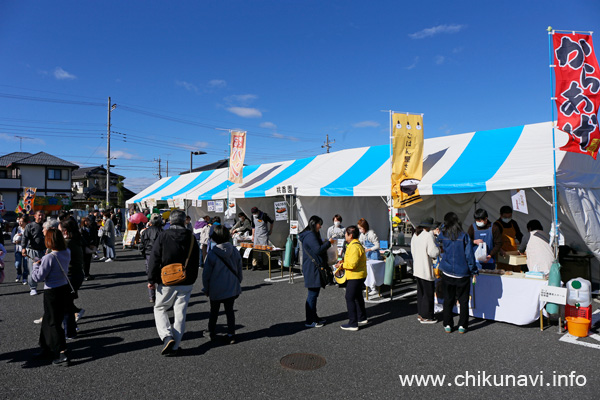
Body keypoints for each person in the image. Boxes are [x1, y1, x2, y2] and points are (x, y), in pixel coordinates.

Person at [148, 210, 200, 356]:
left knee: (160, 308)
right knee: (180, 313)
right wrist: (192, 278)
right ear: (184, 221)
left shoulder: (163, 235)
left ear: (170, 221)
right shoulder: (191, 237)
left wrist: (151, 279)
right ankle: (175, 345)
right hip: (186, 279)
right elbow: (196, 259)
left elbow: (154, 258)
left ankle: (166, 336)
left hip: (166, 279)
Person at [30, 228, 72, 366]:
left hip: (52, 291)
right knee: (49, 319)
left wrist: (35, 266)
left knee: (53, 322)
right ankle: (46, 347)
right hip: (64, 288)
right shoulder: (66, 252)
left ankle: (62, 352)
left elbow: (38, 277)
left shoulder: (49, 257)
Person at [437, 212, 477, 334]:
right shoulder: (464, 236)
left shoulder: (444, 235)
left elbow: (437, 239)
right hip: (462, 273)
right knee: (463, 300)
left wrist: (443, 227)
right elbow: (469, 256)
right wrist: (473, 270)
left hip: (447, 272)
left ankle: (448, 324)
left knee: (448, 299)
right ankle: (462, 326)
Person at [203, 225, 243, 344]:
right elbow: (239, 269)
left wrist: (206, 287)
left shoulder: (212, 254)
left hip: (216, 288)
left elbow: (206, 274)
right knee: (229, 311)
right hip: (231, 286)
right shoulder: (234, 250)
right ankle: (231, 334)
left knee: (214, 311)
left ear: (213, 238)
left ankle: (211, 331)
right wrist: (238, 282)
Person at [299, 215, 335, 328]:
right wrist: (328, 243)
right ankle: (310, 320)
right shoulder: (310, 235)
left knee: (314, 294)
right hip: (313, 268)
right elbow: (318, 249)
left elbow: (316, 248)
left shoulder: (308, 234)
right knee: (312, 294)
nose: (321, 226)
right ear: (314, 224)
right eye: (320, 224)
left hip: (311, 267)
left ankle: (313, 317)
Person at [410, 218, 440, 324]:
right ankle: (427, 316)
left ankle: (421, 314)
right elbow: (433, 252)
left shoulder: (415, 235)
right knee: (428, 293)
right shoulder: (428, 235)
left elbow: (413, 250)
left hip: (417, 267)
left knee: (421, 293)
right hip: (425, 268)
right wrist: (439, 249)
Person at [338, 225, 368, 331]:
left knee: (349, 297)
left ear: (350, 235)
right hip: (358, 275)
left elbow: (353, 264)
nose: (345, 235)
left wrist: (342, 265)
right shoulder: (354, 244)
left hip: (355, 275)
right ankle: (362, 317)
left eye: (346, 233)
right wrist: (343, 262)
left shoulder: (354, 246)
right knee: (357, 296)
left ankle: (353, 323)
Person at [59, 219, 86, 339]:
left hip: (70, 275)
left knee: (65, 305)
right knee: (67, 303)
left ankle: (70, 332)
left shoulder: (67, 242)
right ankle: (72, 327)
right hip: (77, 274)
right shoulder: (76, 239)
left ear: (64, 231)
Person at [22, 210, 46, 296]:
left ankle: (48, 285)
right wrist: (23, 248)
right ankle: (33, 288)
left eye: (42, 215)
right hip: (33, 250)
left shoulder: (46, 225)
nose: (41, 217)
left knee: (47, 268)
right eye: (39, 215)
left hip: (45, 250)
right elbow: (25, 237)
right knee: (33, 269)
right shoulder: (30, 226)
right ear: (35, 216)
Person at [493, 205, 524, 272]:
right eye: (505, 217)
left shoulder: (513, 223)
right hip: (502, 254)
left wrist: (523, 248)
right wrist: (500, 250)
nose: (507, 218)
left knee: (516, 271)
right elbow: (494, 240)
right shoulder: (496, 225)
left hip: (513, 252)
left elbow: (519, 236)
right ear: (501, 215)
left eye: (509, 217)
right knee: (505, 272)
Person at [141, 213, 163, 303]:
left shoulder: (145, 231)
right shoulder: (162, 232)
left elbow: (142, 245)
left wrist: (144, 254)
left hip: (149, 254)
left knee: (150, 274)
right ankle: (161, 295)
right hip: (159, 254)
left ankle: (152, 296)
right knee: (161, 275)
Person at [11, 215, 29, 284]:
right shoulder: (16, 229)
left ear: (25, 222)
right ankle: (19, 273)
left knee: (25, 265)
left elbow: (30, 240)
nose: (20, 223)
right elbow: (12, 239)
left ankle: (24, 278)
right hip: (18, 249)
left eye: (22, 222)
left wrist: (22, 241)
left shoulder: (28, 229)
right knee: (17, 264)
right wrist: (15, 241)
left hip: (26, 250)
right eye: (19, 221)